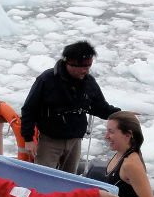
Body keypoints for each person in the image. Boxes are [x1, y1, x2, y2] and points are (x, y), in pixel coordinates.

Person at [20, 40, 120, 173]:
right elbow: (29, 109)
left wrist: (120, 115)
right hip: (50, 141)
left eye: (89, 66)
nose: (86, 70)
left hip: (75, 141)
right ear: (70, 63)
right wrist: (28, 138)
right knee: (43, 176)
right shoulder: (47, 79)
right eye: (83, 66)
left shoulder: (88, 82)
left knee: (69, 177)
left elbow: (100, 107)